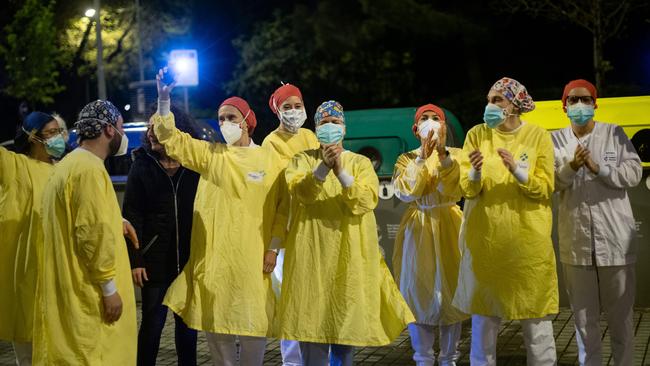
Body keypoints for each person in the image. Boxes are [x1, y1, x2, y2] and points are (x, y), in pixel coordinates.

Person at [152, 70, 287, 366]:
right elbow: (172, 140)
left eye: (231, 117)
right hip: (215, 262)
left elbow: (282, 207)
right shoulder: (212, 156)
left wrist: (273, 247)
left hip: (253, 259)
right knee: (217, 328)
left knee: (254, 326)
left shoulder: (270, 159)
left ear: (247, 122)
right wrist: (164, 98)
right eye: (221, 118)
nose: (225, 123)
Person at [278, 100, 415, 366]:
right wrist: (321, 170)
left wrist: (340, 172)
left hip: (347, 258)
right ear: (316, 129)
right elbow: (302, 193)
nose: (330, 127)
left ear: (344, 128)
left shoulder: (360, 163)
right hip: (312, 258)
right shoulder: (301, 160)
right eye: (324, 123)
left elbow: (365, 200)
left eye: (335, 123)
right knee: (312, 330)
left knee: (343, 333)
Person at [452, 77, 558, 365]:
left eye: (497, 100)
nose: (490, 105)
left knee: (536, 325)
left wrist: (517, 170)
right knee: (484, 327)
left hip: (527, 245)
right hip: (485, 243)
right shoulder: (477, 134)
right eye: (488, 100)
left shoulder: (538, 136)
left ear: (515, 104)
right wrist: (474, 171)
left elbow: (545, 187)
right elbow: (468, 188)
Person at [33, 100, 138, 365]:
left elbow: (80, 219)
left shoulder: (68, 165)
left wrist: (117, 220)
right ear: (109, 130)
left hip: (67, 298)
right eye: (121, 127)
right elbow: (92, 233)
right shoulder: (90, 170)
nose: (123, 134)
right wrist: (109, 289)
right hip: (88, 300)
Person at [551, 79, 642, 366]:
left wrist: (598, 168)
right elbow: (550, 183)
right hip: (577, 245)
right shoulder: (554, 140)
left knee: (621, 322)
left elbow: (633, 173)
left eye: (585, 99)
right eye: (573, 100)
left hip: (615, 241)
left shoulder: (613, 133)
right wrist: (572, 167)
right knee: (584, 322)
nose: (579, 105)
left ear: (595, 103)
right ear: (564, 105)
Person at [392, 103, 468, 366]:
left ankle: (450, 358)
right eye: (424, 118)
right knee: (418, 291)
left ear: (444, 126)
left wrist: (443, 153)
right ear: (416, 129)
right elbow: (406, 191)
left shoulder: (456, 154)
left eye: (435, 118)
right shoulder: (406, 159)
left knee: (452, 291)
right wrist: (422, 158)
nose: (430, 122)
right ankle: (422, 358)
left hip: (450, 224)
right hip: (419, 228)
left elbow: (457, 187)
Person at [124, 104, 200, 366]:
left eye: (157, 126)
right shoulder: (142, 165)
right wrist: (136, 260)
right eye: (149, 127)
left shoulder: (193, 165)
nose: (150, 132)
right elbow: (132, 216)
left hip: (189, 263)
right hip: (153, 263)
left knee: (188, 331)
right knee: (152, 328)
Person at [262, 83, 320, 366]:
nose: (294, 111)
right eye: (288, 107)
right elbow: (278, 193)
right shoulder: (271, 142)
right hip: (287, 230)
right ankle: (293, 362)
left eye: (298, 105)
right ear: (277, 110)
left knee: (313, 298)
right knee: (291, 299)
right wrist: (273, 244)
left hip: (315, 227)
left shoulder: (311, 136)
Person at [0, 112, 61, 365]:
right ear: (33, 138)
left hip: (56, 274)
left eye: (60, 132)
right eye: (52, 133)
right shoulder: (14, 165)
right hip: (26, 274)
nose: (59, 138)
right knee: (27, 352)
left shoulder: (63, 170)